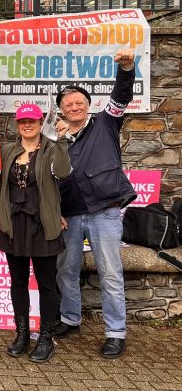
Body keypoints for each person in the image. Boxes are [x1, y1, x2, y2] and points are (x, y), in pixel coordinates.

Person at [54, 47, 137, 360]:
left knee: (111, 274)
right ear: (61, 110)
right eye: (68, 104)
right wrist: (58, 213)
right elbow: (52, 178)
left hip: (105, 211)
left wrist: (126, 67)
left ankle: (116, 333)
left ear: (87, 106)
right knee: (66, 271)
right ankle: (70, 319)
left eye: (79, 102)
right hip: (72, 214)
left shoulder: (106, 122)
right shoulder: (56, 138)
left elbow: (122, 94)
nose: (74, 107)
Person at [0, 103, 71, 363]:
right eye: (22, 121)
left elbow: (65, 171)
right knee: (18, 282)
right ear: (17, 124)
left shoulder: (49, 149)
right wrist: (1, 213)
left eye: (32, 121)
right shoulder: (7, 150)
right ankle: (22, 333)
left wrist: (62, 140)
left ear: (39, 123)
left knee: (47, 284)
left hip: (43, 226)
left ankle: (45, 337)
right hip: (15, 227)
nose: (27, 125)